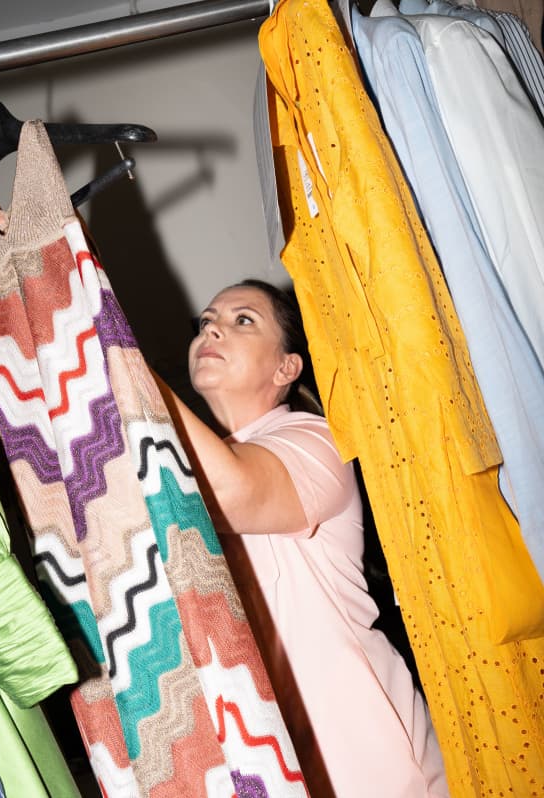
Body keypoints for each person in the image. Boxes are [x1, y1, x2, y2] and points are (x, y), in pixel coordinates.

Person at [154, 278, 450, 798]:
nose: (213, 327)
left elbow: (230, 491)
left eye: (242, 319)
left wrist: (114, 353)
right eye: (207, 321)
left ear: (286, 367)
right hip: (267, 754)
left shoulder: (314, 439)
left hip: (363, 755)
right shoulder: (181, 463)